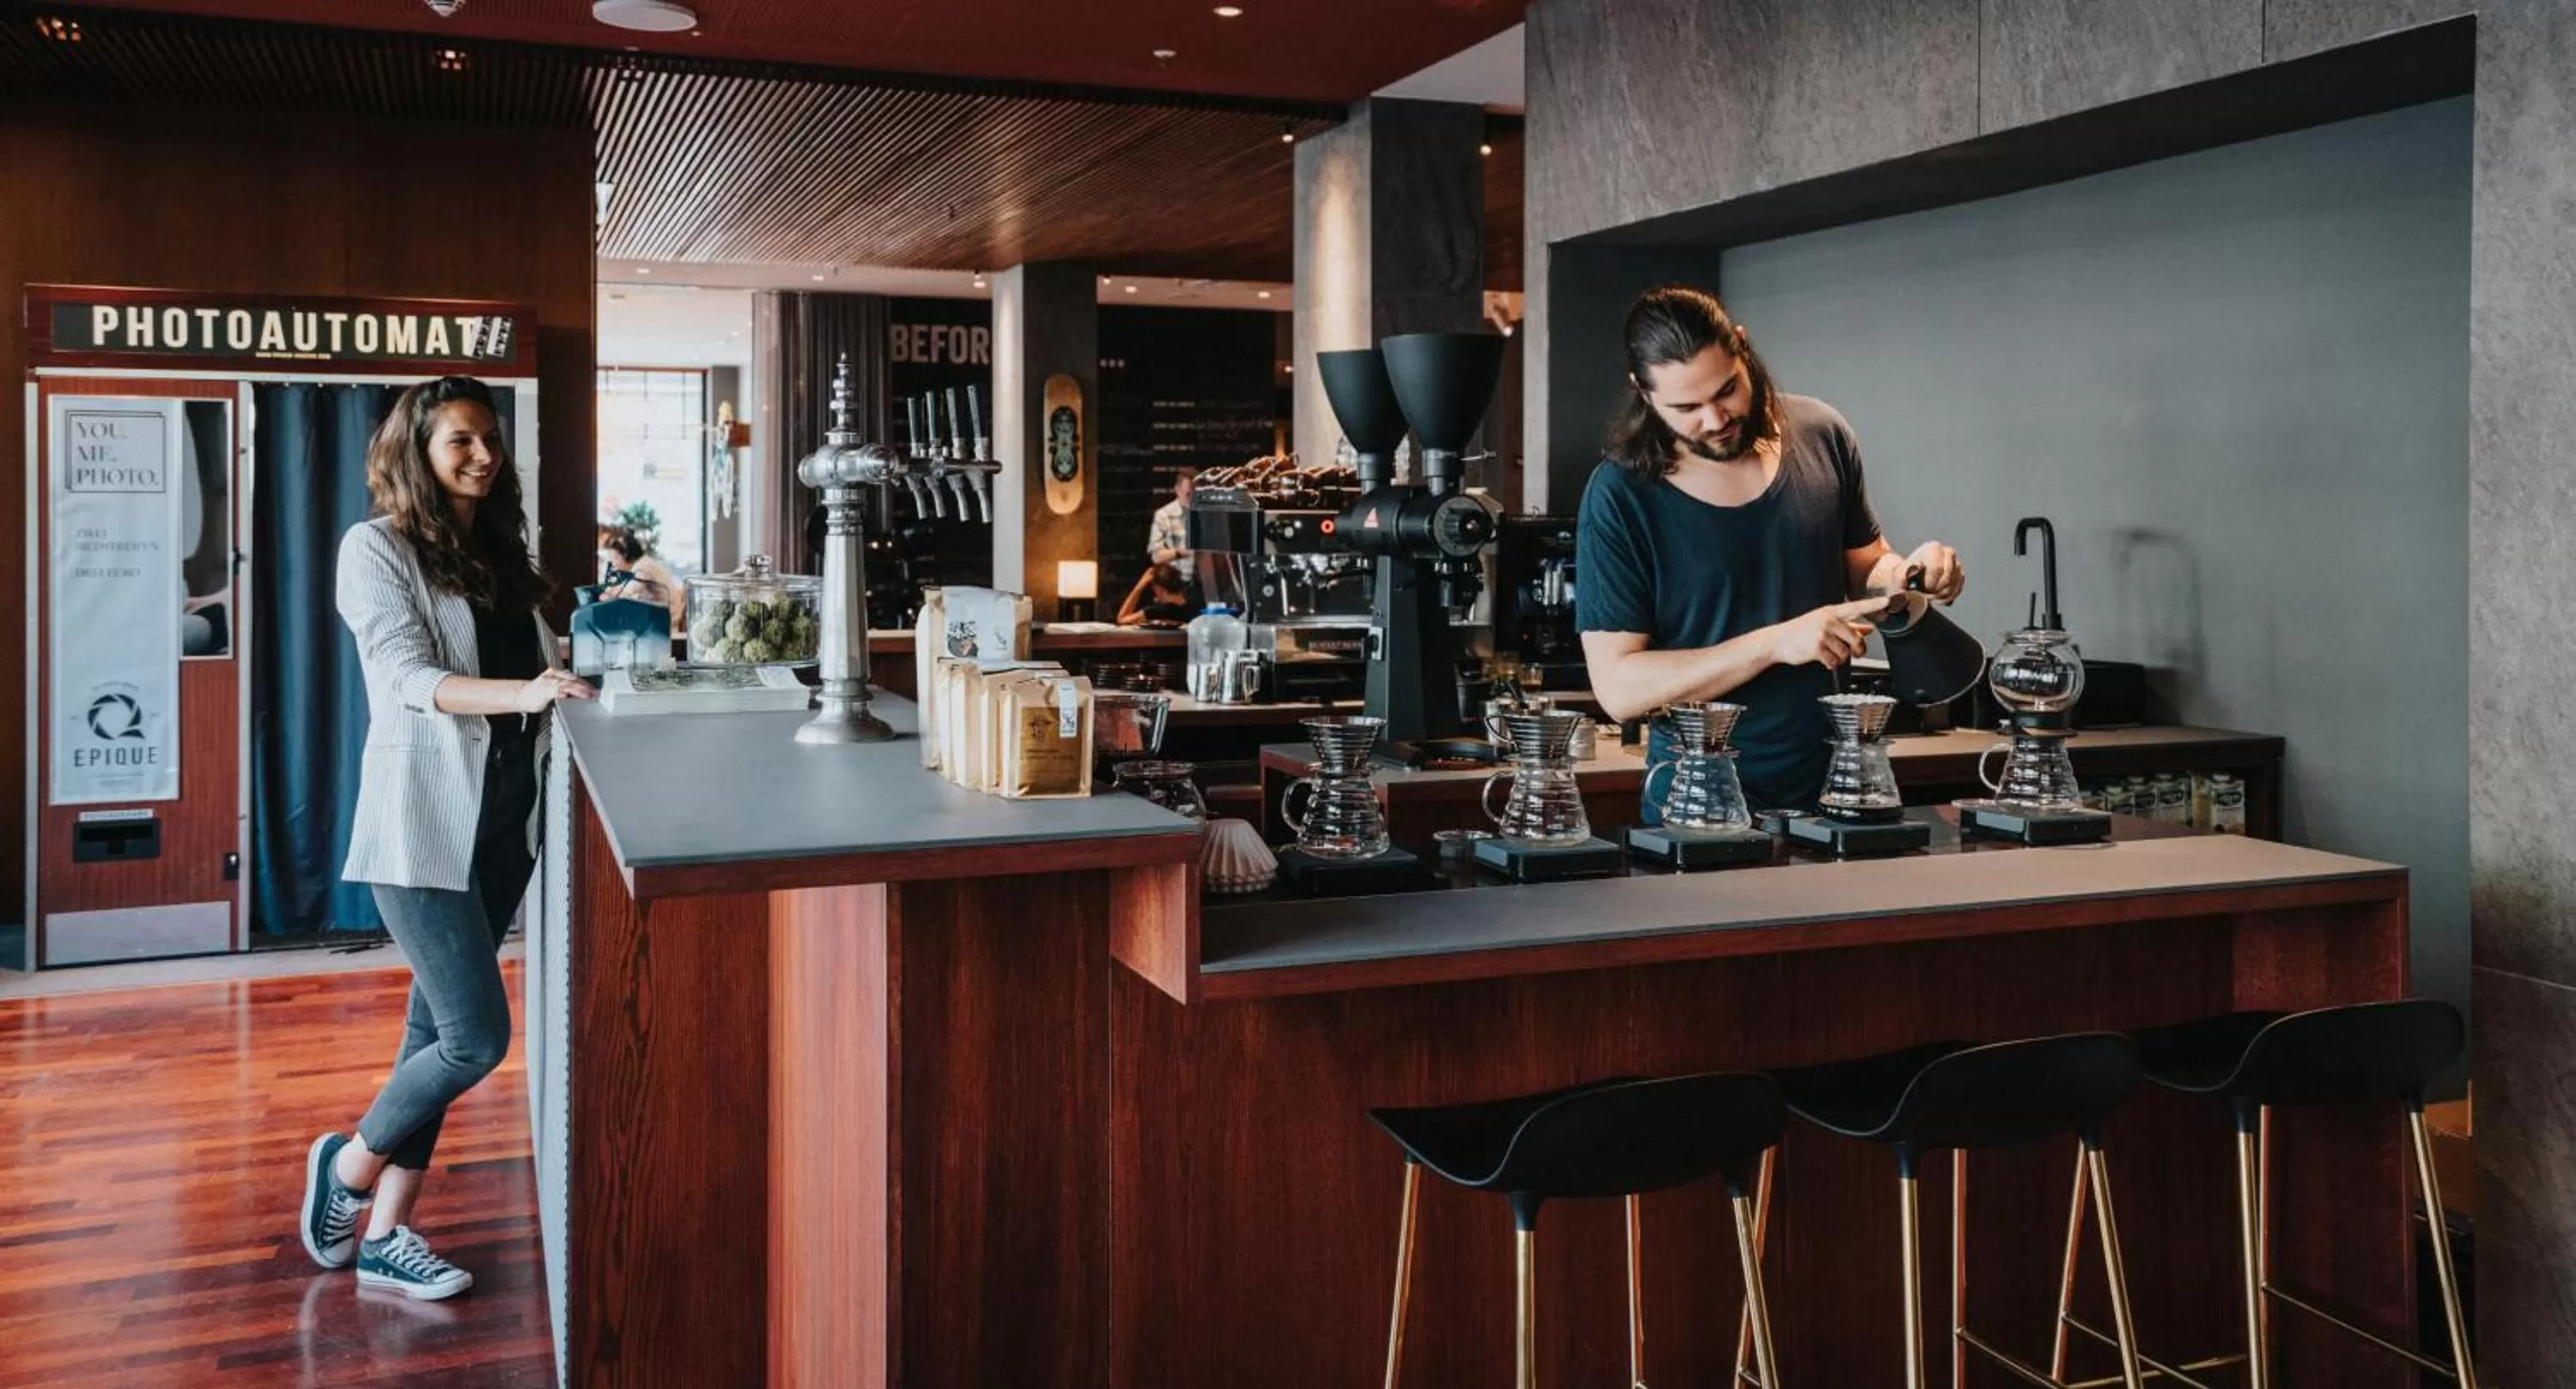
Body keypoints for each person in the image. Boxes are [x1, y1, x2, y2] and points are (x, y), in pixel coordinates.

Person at [302, 376, 596, 1301]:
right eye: (459, 441)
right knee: (475, 1039)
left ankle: (386, 1236)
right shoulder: (375, 549)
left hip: (505, 822)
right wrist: (527, 694)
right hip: (425, 817)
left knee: (431, 1034)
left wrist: (571, 674)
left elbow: (535, 666)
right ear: (416, 454)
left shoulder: (500, 554)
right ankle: (346, 1170)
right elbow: (404, 677)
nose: (482, 454)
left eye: (489, 438)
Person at [1577, 286, 1964, 816]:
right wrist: (1776, 643)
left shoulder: (1823, 433)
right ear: (1643, 394)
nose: (1714, 419)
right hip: (1699, 804)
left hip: (1840, 785)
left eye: (1727, 390)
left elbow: (1866, 568)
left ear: (1741, 347)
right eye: (1686, 407)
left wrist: (1909, 573)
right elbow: (1619, 688)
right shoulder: (1621, 495)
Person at [595, 523, 688, 634]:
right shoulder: (644, 564)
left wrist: (605, 594)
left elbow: (624, 597)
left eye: (615, 558)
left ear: (625, 555)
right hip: (661, 625)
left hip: (666, 631)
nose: (613, 564)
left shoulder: (644, 570)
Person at [1146, 469, 1199, 582]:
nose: (1192, 500)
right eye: (1188, 495)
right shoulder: (1164, 515)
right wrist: (1181, 552)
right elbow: (1156, 556)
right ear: (1177, 490)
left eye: (1195, 495)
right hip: (1176, 581)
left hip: (1202, 582)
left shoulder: (1204, 514)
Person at [1116, 561, 1200, 628]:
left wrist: (1140, 585)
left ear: (1158, 588)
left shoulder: (1157, 611)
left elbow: (1122, 619)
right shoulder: (1193, 602)